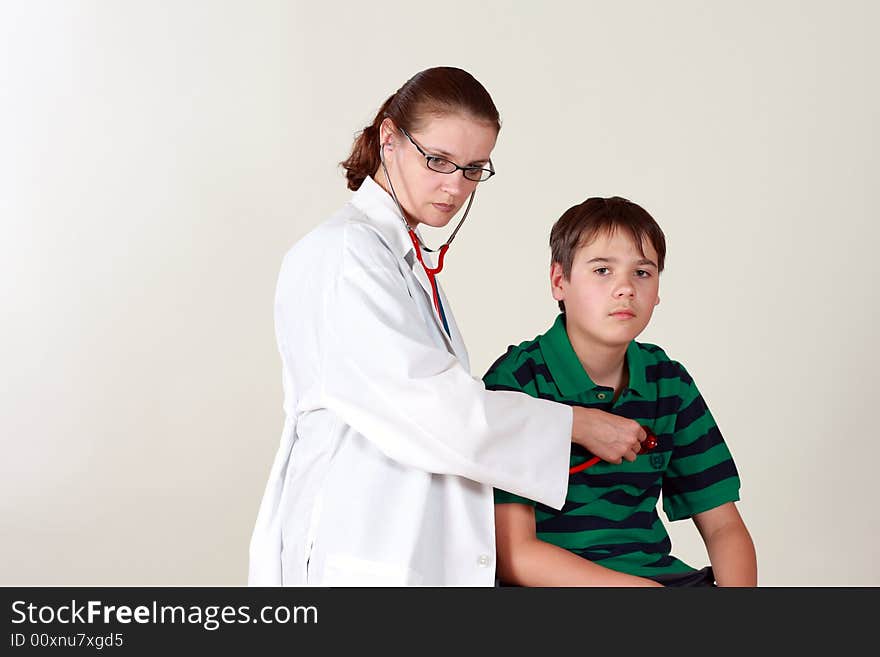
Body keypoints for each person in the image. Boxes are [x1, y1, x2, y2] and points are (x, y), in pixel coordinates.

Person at [247, 67, 649, 586]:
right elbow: (431, 409)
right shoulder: (343, 254)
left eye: (473, 168)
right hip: (359, 546)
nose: (454, 186)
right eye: (437, 160)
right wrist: (576, 423)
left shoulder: (400, 258)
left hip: (403, 546)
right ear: (389, 138)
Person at [485, 197, 757, 586]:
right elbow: (515, 556)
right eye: (602, 270)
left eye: (642, 273)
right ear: (559, 281)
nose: (625, 289)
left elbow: (723, 526)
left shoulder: (669, 383)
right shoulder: (516, 384)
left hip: (656, 578)